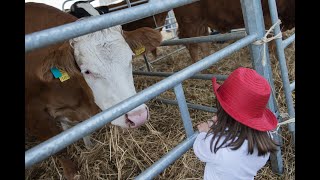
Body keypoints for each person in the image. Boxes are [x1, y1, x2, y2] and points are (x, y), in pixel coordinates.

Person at [193, 67, 279, 180]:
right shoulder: (265, 138)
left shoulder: (216, 145)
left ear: (224, 113)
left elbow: (199, 149)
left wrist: (205, 131)